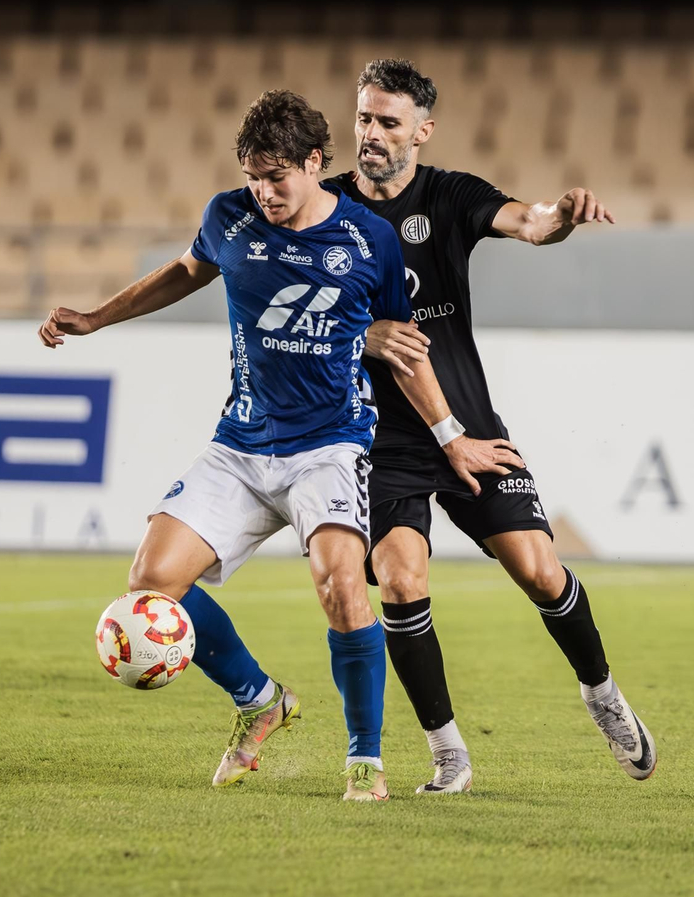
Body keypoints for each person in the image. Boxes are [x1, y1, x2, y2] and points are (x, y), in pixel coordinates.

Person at [38, 89, 515, 801]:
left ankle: (364, 761)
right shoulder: (227, 216)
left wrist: (451, 437)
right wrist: (99, 317)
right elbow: (183, 272)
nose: (264, 192)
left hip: (331, 446)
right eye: (254, 176)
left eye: (278, 177)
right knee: (149, 581)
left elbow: (406, 349)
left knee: (343, 585)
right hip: (242, 442)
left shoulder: (368, 240)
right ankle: (260, 699)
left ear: (315, 163)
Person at [328, 58, 656, 794]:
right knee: (403, 585)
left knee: (541, 571)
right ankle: (448, 753)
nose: (371, 134)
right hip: (382, 443)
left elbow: (528, 222)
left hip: (471, 428)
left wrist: (561, 216)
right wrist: (363, 334)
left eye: (387, 121)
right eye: (363, 118)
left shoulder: (450, 196)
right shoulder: (325, 212)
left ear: (423, 129)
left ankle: (601, 692)